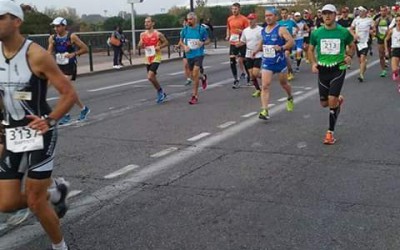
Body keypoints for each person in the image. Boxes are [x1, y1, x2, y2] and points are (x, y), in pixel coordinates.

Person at [0, 1, 77, 250]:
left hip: (40, 131)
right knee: (6, 203)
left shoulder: (37, 55)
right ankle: (56, 193)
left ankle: (60, 246)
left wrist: (50, 120)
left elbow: (69, 94)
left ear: (17, 21)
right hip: (12, 131)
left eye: (1, 18)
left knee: (34, 201)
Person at [308, 4, 354, 145]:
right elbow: (310, 50)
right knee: (324, 103)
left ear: (335, 15)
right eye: (324, 14)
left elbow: (352, 46)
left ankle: (330, 133)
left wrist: (348, 56)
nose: (327, 16)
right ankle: (337, 101)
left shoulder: (343, 32)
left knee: (332, 99)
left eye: (330, 13)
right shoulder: (316, 33)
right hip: (323, 70)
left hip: (338, 68)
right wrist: (313, 63)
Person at [48, 17, 90, 125]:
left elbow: (85, 48)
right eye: (54, 26)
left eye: (58, 26)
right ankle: (83, 109)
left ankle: (65, 115)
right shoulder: (52, 38)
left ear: (64, 26)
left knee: (64, 89)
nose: (56, 28)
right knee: (67, 90)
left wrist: (74, 54)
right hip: (59, 65)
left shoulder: (71, 36)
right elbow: (49, 52)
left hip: (70, 65)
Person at [255, 7, 294, 120]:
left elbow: (291, 42)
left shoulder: (281, 29)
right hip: (268, 62)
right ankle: (264, 110)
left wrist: (282, 47)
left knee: (284, 84)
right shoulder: (263, 30)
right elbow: (263, 41)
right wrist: (257, 50)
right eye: (266, 16)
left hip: (280, 63)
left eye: (270, 15)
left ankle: (290, 97)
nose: (268, 18)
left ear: (275, 17)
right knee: (265, 85)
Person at [179, 12, 210, 105]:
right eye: (188, 19)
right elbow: (180, 42)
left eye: (191, 19)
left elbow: (208, 40)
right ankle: (203, 77)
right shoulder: (184, 30)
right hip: (189, 55)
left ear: (195, 19)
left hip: (199, 54)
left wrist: (202, 43)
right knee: (193, 76)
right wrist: (184, 46)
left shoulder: (201, 29)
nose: (189, 21)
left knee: (196, 72)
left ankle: (195, 96)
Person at [138, 16, 169, 104]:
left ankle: (160, 92)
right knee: (152, 78)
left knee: (150, 76)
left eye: (148, 22)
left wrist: (159, 47)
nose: (146, 24)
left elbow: (166, 42)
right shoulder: (142, 34)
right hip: (148, 58)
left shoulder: (158, 34)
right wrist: (140, 44)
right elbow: (140, 45)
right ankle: (161, 92)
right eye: (145, 22)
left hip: (156, 57)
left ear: (153, 23)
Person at [239, 13, 263, 97]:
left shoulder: (261, 30)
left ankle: (264, 79)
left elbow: (263, 41)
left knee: (256, 73)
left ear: (256, 20)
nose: (250, 21)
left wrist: (257, 50)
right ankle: (258, 90)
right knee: (251, 74)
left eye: (252, 19)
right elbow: (243, 41)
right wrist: (239, 44)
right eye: (249, 19)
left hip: (258, 54)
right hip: (248, 54)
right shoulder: (245, 31)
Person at [226, 2, 250, 88]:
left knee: (243, 60)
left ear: (239, 9)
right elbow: (228, 28)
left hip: (242, 42)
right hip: (233, 42)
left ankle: (249, 77)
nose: (234, 11)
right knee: (232, 60)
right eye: (232, 9)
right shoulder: (229, 19)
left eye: (235, 9)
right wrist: (228, 35)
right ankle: (236, 80)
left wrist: (242, 32)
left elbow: (248, 31)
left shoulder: (244, 19)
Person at [350, 6, 375, 82]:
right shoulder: (356, 20)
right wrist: (354, 35)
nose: (359, 12)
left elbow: (374, 29)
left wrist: (372, 31)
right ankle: (363, 66)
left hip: (366, 41)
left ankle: (361, 75)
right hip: (358, 42)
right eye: (359, 11)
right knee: (360, 60)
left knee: (362, 58)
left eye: (361, 11)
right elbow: (351, 29)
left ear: (365, 11)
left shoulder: (369, 20)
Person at [278, 8, 297, 81]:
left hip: (288, 42)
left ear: (287, 13)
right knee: (281, 58)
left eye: (285, 13)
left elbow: (297, 28)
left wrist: (295, 33)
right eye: (282, 13)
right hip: (281, 42)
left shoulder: (291, 22)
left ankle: (290, 71)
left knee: (286, 55)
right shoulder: (278, 23)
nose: (284, 15)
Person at [374, 6, 391, 77]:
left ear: (387, 11)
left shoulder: (390, 19)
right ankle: (383, 70)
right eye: (381, 11)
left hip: (389, 39)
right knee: (381, 55)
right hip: (380, 38)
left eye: (384, 11)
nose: (382, 12)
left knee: (390, 55)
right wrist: (375, 33)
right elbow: (375, 28)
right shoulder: (378, 20)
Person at [385, 14, 400, 92]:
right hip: (395, 50)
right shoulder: (392, 30)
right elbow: (386, 40)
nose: (398, 22)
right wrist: (386, 50)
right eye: (397, 21)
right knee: (395, 70)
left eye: (399, 21)